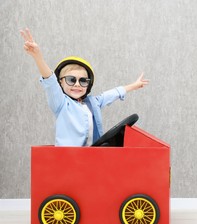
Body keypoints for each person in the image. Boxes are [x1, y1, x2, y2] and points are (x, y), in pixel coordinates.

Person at [20, 28, 149, 146]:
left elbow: (111, 94)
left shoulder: (93, 103)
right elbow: (50, 81)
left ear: (88, 84)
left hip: (89, 158)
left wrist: (133, 85)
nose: (77, 84)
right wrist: (38, 57)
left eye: (83, 81)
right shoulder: (61, 104)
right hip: (67, 159)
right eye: (71, 80)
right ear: (61, 82)